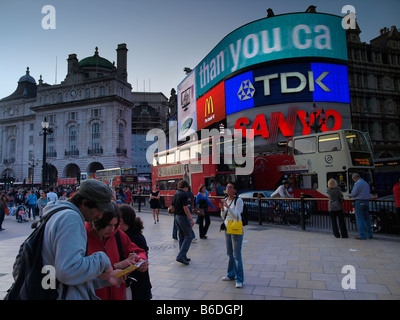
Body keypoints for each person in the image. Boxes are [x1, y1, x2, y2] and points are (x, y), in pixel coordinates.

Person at [41, 179, 127, 300]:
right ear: (84, 203)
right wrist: (102, 259)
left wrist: (104, 280)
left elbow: (70, 276)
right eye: (99, 210)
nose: (100, 216)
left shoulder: (57, 214)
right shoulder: (71, 219)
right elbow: (68, 271)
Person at [86, 202, 148, 300]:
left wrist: (141, 260)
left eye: (115, 224)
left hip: (117, 293)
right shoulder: (84, 235)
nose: (112, 229)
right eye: (109, 225)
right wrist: (117, 265)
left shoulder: (117, 233)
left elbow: (136, 250)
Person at [119, 204, 152, 300]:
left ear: (121, 221)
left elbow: (141, 259)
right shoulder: (129, 234)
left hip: (137, 286)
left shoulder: (135, 238)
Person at [219, 182, 244, 288]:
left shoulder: (238, 200)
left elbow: (236, 216)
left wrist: (228, 207)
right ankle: (230, 275)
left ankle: (239, 279)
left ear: (234, 190)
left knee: (236, 255)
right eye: (227, 187)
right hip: (227, 228)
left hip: (236, 229)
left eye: (230, 187)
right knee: (230, 253)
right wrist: (222, 209)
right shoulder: (226, 200)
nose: (228, 189)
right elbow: (224, 216)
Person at [172, 180, 194, 265]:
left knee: (181, 236)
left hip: (176, 216)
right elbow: (185, 208)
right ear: (185, 187)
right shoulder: (183, 194)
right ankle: (181, 255)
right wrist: (191, 219)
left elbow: (173, 205)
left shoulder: (176, 193)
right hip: (182, 216)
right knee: (189, 236)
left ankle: (183, 255)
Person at [350, 173, 373, 240]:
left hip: (359, 202)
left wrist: (350, 195)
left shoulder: (357, 184)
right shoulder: (366, 183)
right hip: (366, 201)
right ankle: (370, 234)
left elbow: (354, 193)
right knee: (367, 219)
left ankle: (362, 235)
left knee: (360, 219)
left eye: (353, 179)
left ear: (355, 178)